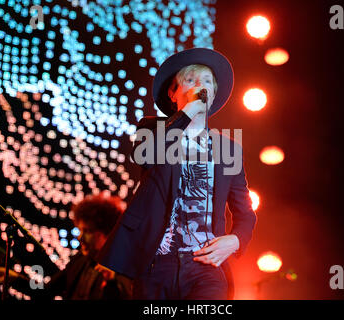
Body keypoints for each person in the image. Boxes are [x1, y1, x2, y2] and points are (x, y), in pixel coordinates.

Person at [97, 48, 257, 300]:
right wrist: (187, 113)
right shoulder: (151, 130)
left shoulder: (229, 148)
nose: (200, 87)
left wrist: (236, 240)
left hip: (206, 266)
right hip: (157, 264)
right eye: (190, 80)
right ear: (173, 93)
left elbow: (245, 211)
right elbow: (145, 157)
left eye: (206, 82)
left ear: (213, 94)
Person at [44, 193, 132, 300]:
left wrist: (111, 282)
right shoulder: (80, 259)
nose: (79, 237)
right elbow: (47, 290)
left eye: (87, 231)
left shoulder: (122, 268)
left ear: (105, 234)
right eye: (80, 230)